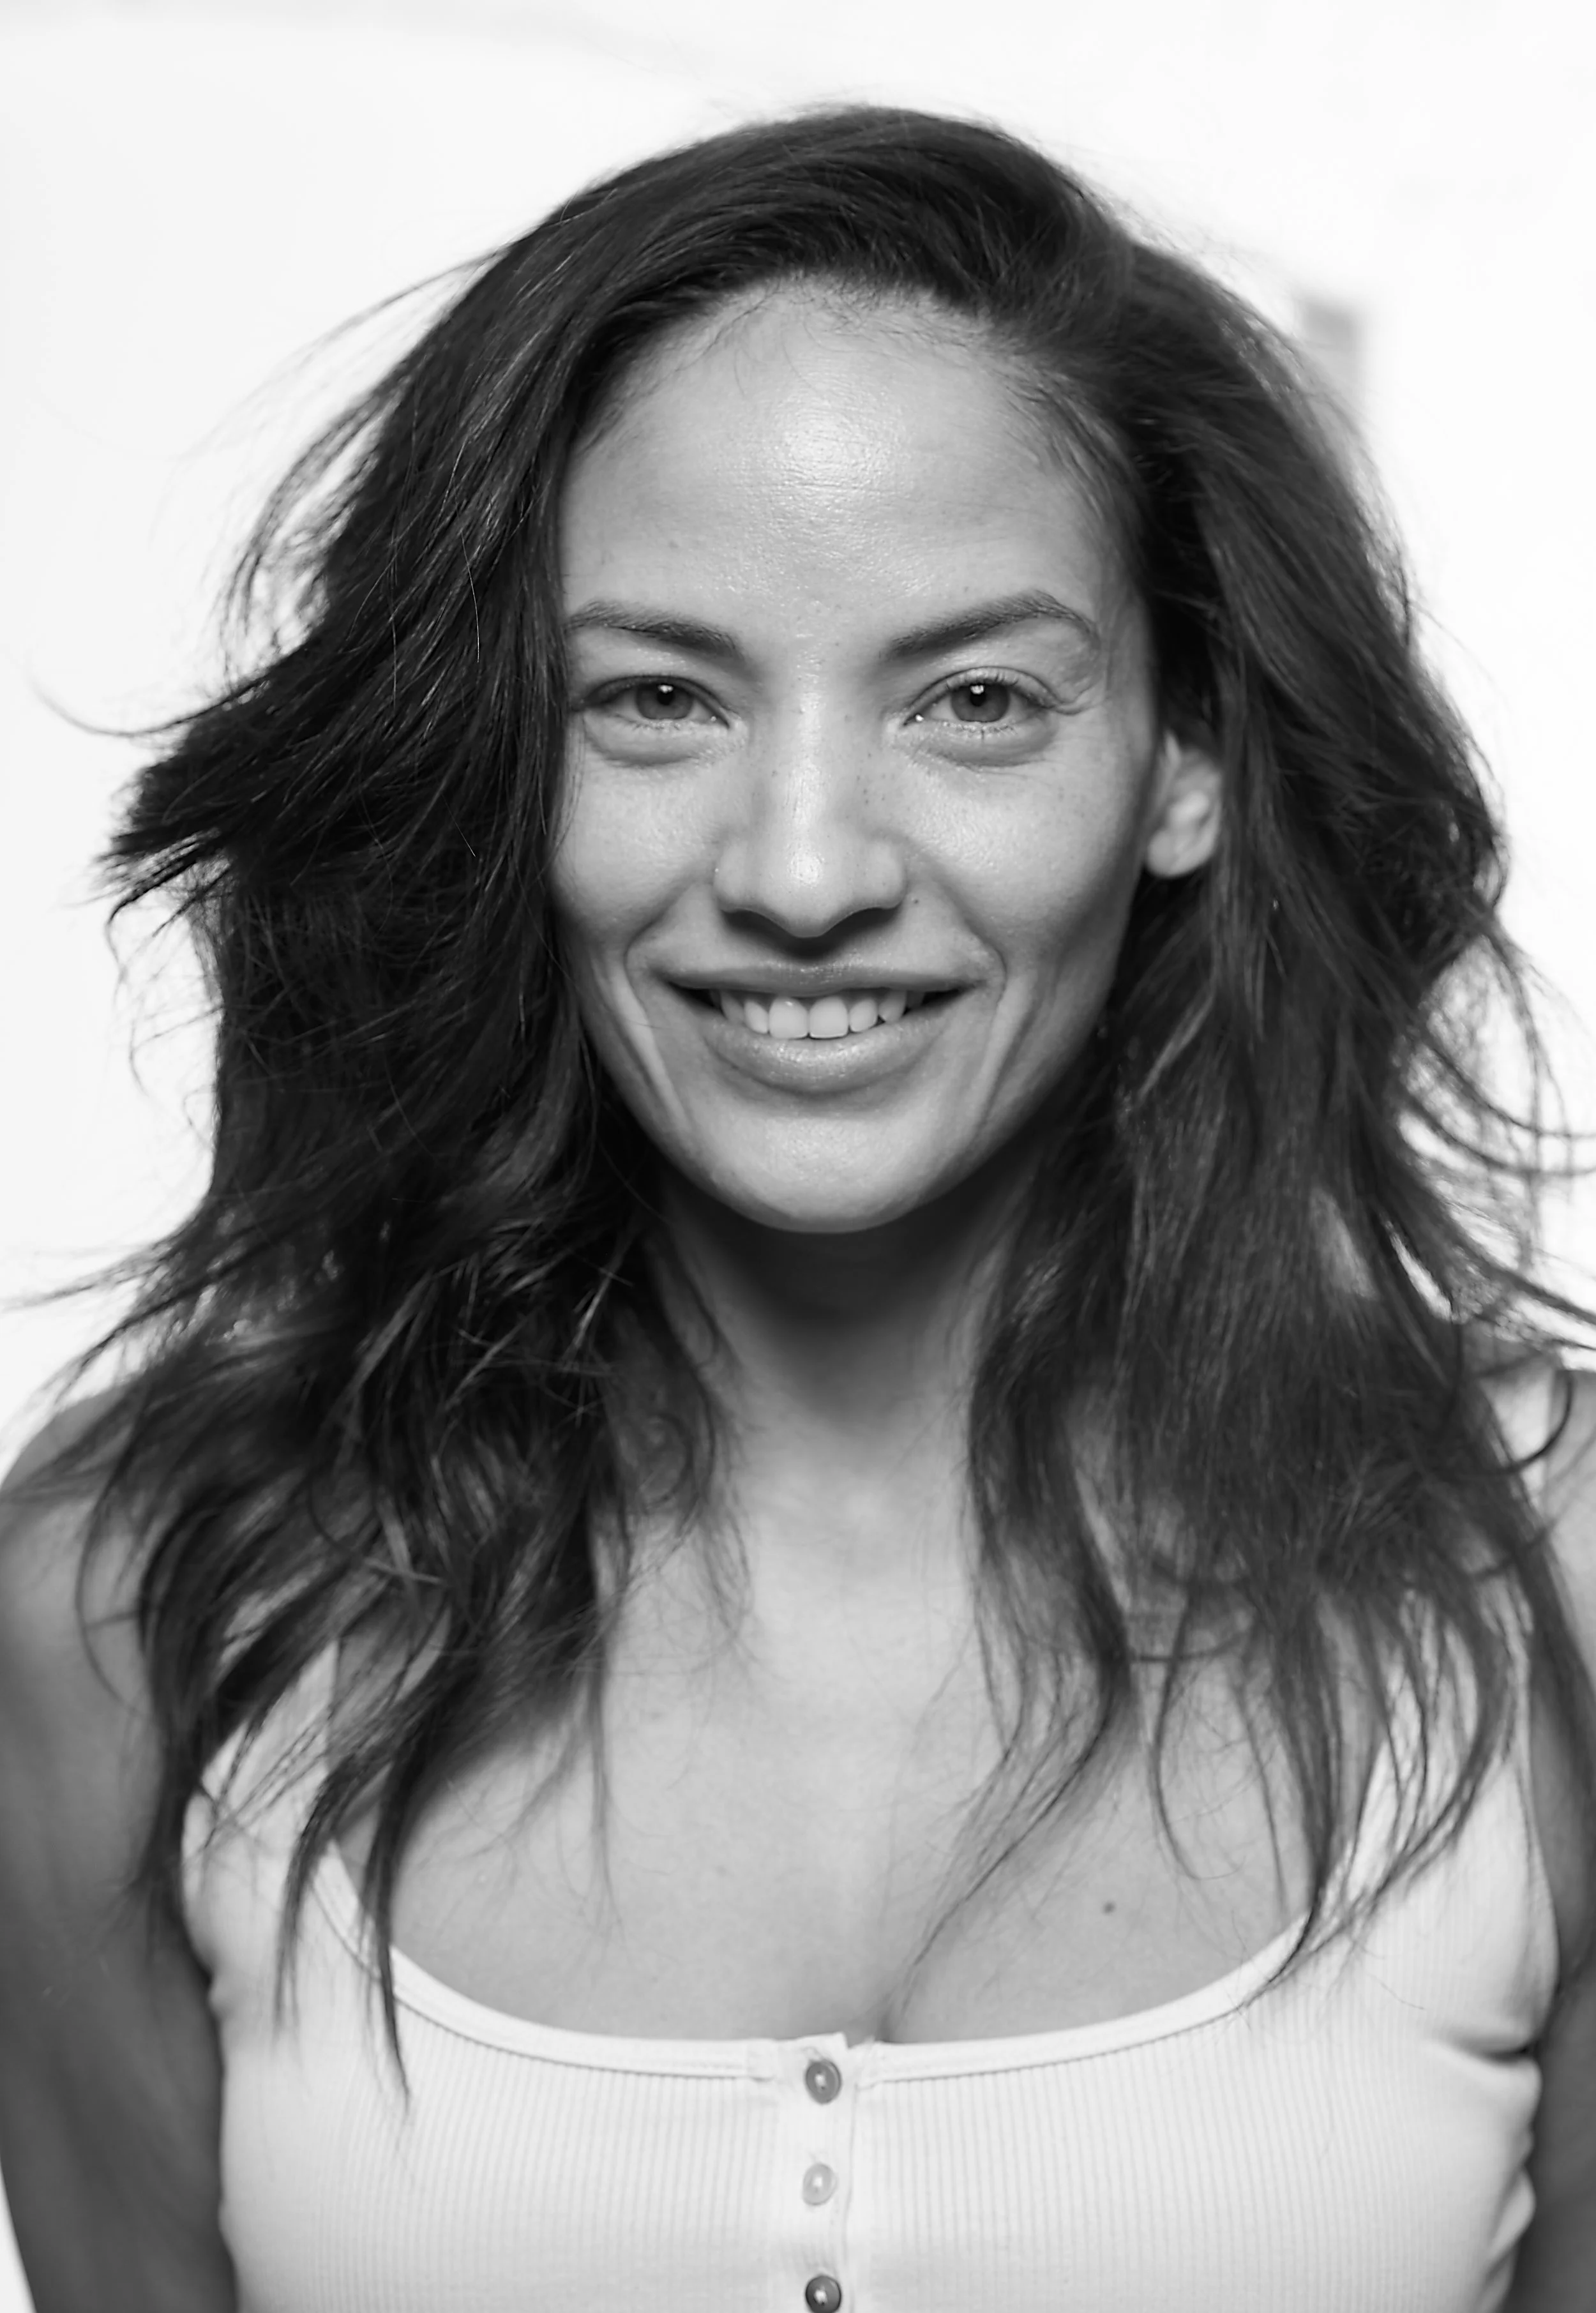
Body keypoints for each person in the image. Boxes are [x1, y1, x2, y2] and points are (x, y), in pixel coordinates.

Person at [1, 101, 1593, 2313]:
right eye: (653, 697)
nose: (807, 868)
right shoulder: (124, 1611)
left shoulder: (1547, 1582)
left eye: (972, 698)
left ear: (1186, 754)